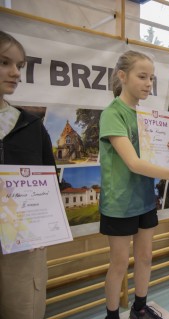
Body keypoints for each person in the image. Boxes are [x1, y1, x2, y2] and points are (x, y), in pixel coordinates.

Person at [100, 50, 169, 319]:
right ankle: (112, 315)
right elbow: (133, 162)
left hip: (144, 198)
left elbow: (152, 157)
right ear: (122, 76)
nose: (148, 83)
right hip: (119, 202)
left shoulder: (146, 116)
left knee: (145, 257)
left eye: (151, 78)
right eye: (142, 76)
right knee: (119, 264)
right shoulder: (112, 114)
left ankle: (139, 307)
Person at [0, 31, 57, 319]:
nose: (15, 73)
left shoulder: (32, 126)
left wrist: (45, 223)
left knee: (23, 309)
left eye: (20, 66)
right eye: (4, 62)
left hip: (21, 244)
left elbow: (48, 183)